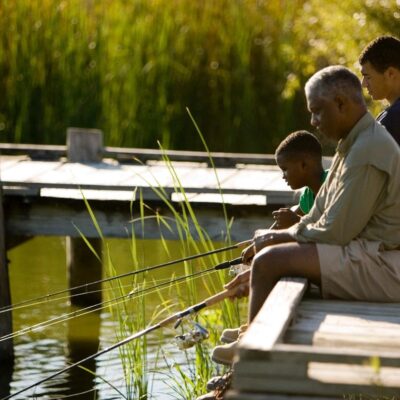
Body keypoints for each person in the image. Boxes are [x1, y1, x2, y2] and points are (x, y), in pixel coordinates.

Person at [212, 65, 400, 368]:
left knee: (270, 260)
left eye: (317, 111)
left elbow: (336, 231)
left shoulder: (368, 149)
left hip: (386, 266)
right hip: (367, 253)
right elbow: (318, 212)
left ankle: (251, 355)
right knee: (270, 249)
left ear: (341, 103)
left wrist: (279, 239)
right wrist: (274, 237)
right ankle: (252, 333)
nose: (313, 122)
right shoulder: (352, 144)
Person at [217, 130, 328, 347]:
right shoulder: (307, 193)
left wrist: (294, 220)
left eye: (285, 169)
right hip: (315, 254)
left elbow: (327, 228)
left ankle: (251, 336)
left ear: (304, 165)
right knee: (268, 260)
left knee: (273, 264)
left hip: (329, 258)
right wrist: (258, 243)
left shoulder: (330, 185)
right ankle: (251, 327)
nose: (283, 176)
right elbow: (298, 219)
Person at [359, 35, 400, 145]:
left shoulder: (393, 118)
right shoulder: (389, 115)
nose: (363, 84)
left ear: (390, 74)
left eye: (367, 77)